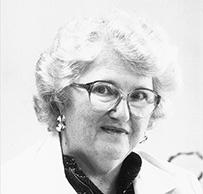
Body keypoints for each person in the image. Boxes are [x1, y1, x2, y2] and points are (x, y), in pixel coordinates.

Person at [1, 9, 202, 194]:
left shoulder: (185, 185)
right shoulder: (11, 184)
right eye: (104, 90)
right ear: (60, 98)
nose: (123, 113)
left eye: (139, 95)